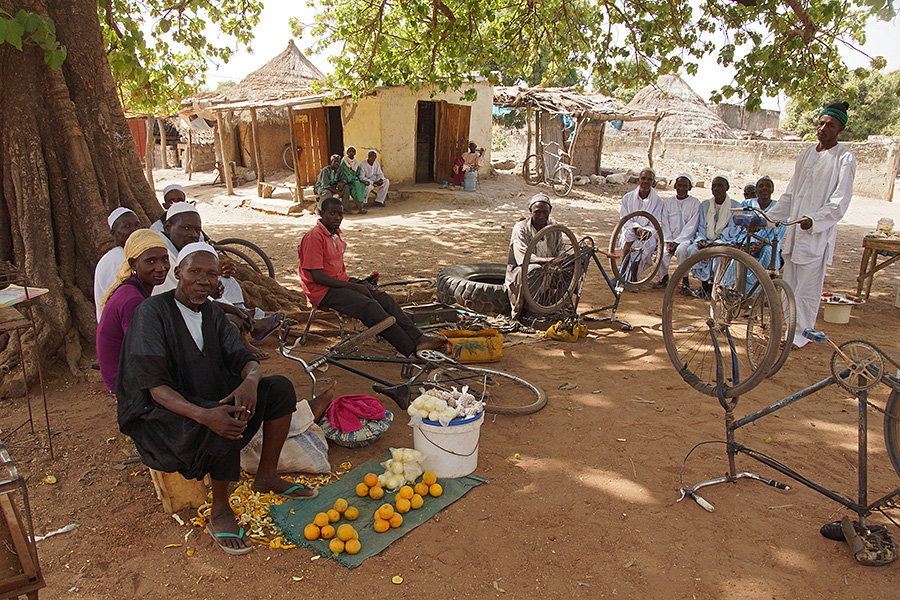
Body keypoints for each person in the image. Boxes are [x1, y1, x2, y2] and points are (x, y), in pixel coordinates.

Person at [117, 242, 320, 556]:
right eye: (194, 272)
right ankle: (221, 509)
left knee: (278, 388)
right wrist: (203, 414)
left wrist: (252, 379)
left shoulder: (211, 312)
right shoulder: (152, 313)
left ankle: (266, 476)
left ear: (218, 282)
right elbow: (155, 388)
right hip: (163, 417)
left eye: (210, 275)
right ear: (178, 273)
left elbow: (244, 357)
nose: (202, 280)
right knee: (225, 414)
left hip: (208, 404)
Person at [298, 197, 448, 357]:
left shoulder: (334, 234)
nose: (337, 218)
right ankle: (409, 349)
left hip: (339, 282)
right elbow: (317, 277)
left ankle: (419, 338)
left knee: (383, 298)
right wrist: (354, 287)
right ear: (321, 214)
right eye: (332, 213)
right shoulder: (314, 236)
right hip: (321, 291)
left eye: (340, 214)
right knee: (370, 308)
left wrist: (357, 285)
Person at [765, 101, 856, 348]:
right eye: (821, 123)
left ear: (840, 130)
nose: (823, 128)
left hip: (816, 235)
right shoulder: (806, 153)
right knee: (789, 286)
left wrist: (814, 220)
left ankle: (800, 336)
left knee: (807, 290)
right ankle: (789, 331)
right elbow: (791, 193)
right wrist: (769, 218)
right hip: (795, 233)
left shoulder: (844, 157)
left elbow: (839, 202)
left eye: (830, 125)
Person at [158, 202, 281, 360]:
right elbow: (183, 297)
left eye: (197, 230)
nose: (194, 235)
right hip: (176, 315)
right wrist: (228, 308)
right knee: (229, 318)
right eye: (186, 228)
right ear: (168, 226)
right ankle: (250, 326)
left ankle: (248, 322)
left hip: (192, 304)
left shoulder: (178, 248)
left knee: (229, 288)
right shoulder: (164, 254)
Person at [96, 230, 169, 396]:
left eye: (164, 259)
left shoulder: (132, 288)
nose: (160, 267)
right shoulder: (132, 300)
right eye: (151, 261)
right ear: (133, 264)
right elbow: (141, 354)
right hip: (123, 385)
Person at [505, 194, 566, 323]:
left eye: (545, 212)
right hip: (523, 272)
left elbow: (562, 249)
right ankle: (529, 312)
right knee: (535, 269)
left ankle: (556, 306)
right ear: (530, 212)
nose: (541, 216)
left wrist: (564, 259)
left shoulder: (554, 227)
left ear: (550, 211)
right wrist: (549, 261)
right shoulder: (521, 228)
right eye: (537, 212)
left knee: (573, 267)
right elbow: (525, 258)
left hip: (551, 268)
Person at [682, 175, 744, 297]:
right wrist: (701, 240)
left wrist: (716, 242)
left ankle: (716, 288)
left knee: (718, 255)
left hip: (724, 241)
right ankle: (704, 286)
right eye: (714, 186)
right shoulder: (705, 205)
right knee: (692, 250)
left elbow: (733, 230)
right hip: (707, 240)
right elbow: (701, 227)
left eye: (719, 186)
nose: (716, 189)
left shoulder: (735, 207)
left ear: (727, 188)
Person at [618, 169, 665, 290]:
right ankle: (621, 274)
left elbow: (655, 221)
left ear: (653, 182)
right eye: (643, 178)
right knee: (628, 238)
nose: (646, 182)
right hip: (631, 228)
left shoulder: (658, 202)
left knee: (642, 248)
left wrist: (645, 231)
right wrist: (636, 228)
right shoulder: (627, 198)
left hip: (648, 232)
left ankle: (634, 279)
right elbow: (624, 218)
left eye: (649, 179)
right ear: (639, 180)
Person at [653, 173, 700, 292]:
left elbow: (692, 225)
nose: (682, 189)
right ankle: (663, 278)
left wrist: (678, 241)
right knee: (662, 253)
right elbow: (665, 223)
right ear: (675, 186)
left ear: (689, 188)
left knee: (682, 251)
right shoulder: (668, 202)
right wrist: (669, 241)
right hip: (669, 238)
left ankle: (684, 280)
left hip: (686, 239)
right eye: (679, 185)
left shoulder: (695, 203)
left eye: (685, 186)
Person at [95, 208, 142, 321]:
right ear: (113, 233)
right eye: (127, 226)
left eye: (137, 225)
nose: (134, 230)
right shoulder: (116, 259)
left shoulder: (130, 255)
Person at [740, 175, 786, 291]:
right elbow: (740, 226)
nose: (764, 188)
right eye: (761, 186)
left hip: (768, 244)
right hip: (748, 241)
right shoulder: (747, 204)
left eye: (768, 186)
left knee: (768, 252)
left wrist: (762, 244)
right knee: (738, 255)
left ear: (772, 190)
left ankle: (762, 290)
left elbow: (779, 231)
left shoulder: (778, 207)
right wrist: (749, 243)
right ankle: (737, 290)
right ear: (756, 190)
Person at [341, 146, 368, 214]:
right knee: (357, 184)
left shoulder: (355, 163)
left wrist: (360, 180)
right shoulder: (344, 162)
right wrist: (358, 180)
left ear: (355, 153)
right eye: (350, 151)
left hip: (355, 181)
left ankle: (360, 205)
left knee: (362, 186)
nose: (351, 153)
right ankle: (361, 206)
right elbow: (347, 175)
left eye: (353, 151)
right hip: (347, 181)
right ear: (347, 153)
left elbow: (358, 174)